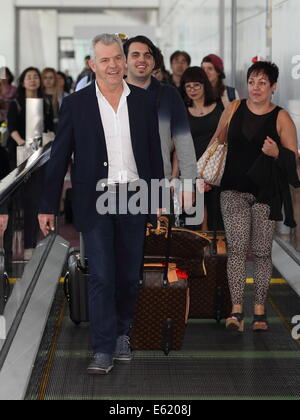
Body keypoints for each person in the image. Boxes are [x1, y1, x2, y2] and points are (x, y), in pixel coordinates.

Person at [38, 34, 164, 376]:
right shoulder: (76, 104)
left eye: (117, 58)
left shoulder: (142, 101)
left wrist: (158, 199)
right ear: (93, 65)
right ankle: (103, 347)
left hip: (136, 197)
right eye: (104, 60)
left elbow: (153, 153)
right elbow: (59, 156)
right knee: (102, 276)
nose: (112, 65)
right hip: (95, 200)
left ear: (124, 62)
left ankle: (122, 332)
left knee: (127, 276)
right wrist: (47, 205)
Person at [207, 61, 298, 333]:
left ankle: (259, 308)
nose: (256, 88)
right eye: (252, 82)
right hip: (233, 188)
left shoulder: (281, 117)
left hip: (265, 194)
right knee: (236, 251)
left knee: (261, 252)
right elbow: (217, 140)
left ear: (274, 87)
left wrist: (276, 153)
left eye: (262, 83)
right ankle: (236, 309)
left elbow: (293, 158)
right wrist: (206, 175)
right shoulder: (234, 108)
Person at [124, 36, 197, 210]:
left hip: (159, 183)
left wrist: (188, 184)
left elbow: (184, 141)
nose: (142, 59)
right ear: (124, 61)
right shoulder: (114, 94)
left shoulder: (168, 94)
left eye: (147, 55)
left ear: (154, 62)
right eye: (135, 55)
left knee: (159, 236)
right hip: (120, 183)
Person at [6, 67, 53, 261]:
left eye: (36, 77)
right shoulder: (15, 103)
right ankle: (9, 249)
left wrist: (46, 143)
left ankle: (30, 246)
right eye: (29, 77)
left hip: (39, 158)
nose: (33, 80)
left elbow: (50, 127)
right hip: (18, 157)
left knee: (34, 201)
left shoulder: (47, 103)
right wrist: (25, 146)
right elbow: (12, 128)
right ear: (23, 81)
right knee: (16, 202)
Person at [181, 66, 224, 231]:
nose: (192, 90)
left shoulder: (219, 107)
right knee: (195, 214)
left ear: (205, 85)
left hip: (215, 167)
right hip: (192, 167)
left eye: (196, 85)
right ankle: (199, 251)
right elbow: (180, 145)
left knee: (215, 213)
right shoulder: (184, 111)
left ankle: (215, 252)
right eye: (188, 86)